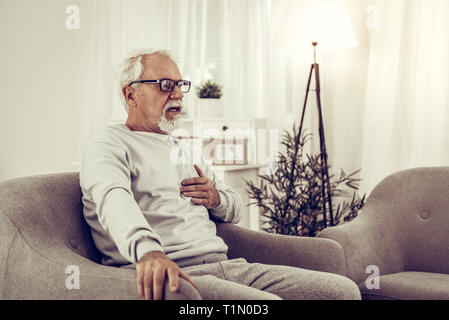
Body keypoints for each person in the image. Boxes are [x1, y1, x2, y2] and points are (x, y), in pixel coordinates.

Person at [80, 48, 361, 300]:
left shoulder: (182, 146)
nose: (177, 94)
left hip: (229, 265)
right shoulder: (109, 141)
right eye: (165, 85)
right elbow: (112, 198)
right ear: (131, 94)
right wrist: (148, 253)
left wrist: (216, 199)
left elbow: (235, 207)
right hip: (180, 274)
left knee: (343, 292)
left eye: (180, 86)